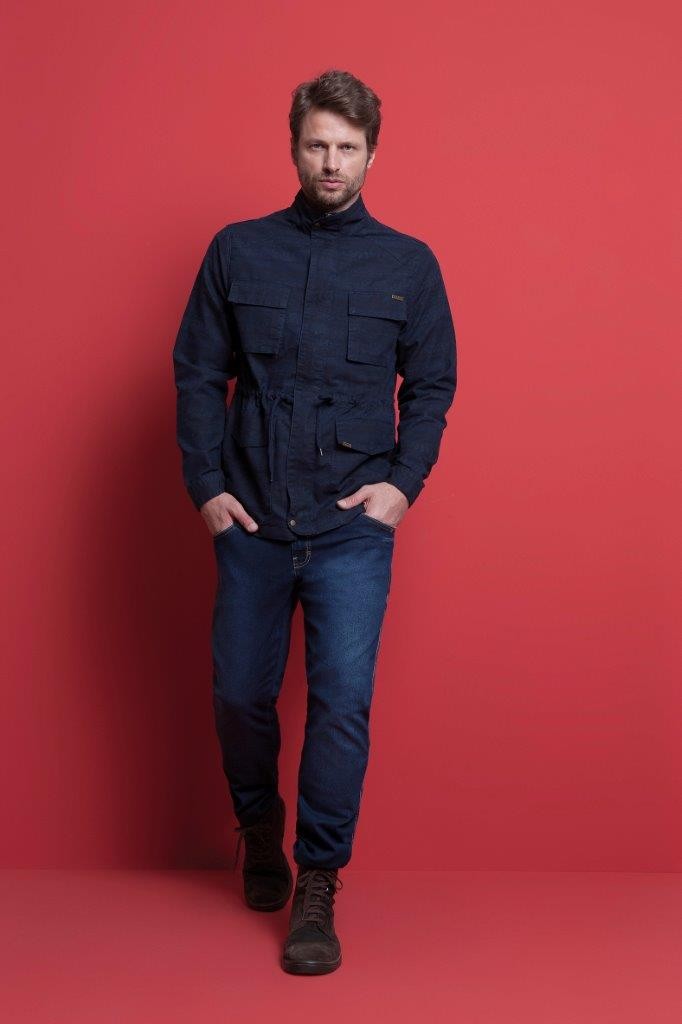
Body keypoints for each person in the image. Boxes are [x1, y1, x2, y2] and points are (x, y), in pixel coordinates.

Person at [172, 68, 457, 975]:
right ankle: (260, 829)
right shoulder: (236, 250)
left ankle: (319, 883)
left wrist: (402, 486)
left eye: (348, 147)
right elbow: (196, 371)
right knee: (238, 694)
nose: (332, 162)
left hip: (350, 528)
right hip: (253, 520)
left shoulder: (409, 265)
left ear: (373, 154)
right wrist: (206, 485)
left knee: (341, 703)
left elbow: (434, 384)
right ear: (293, 148)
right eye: (317, 145)